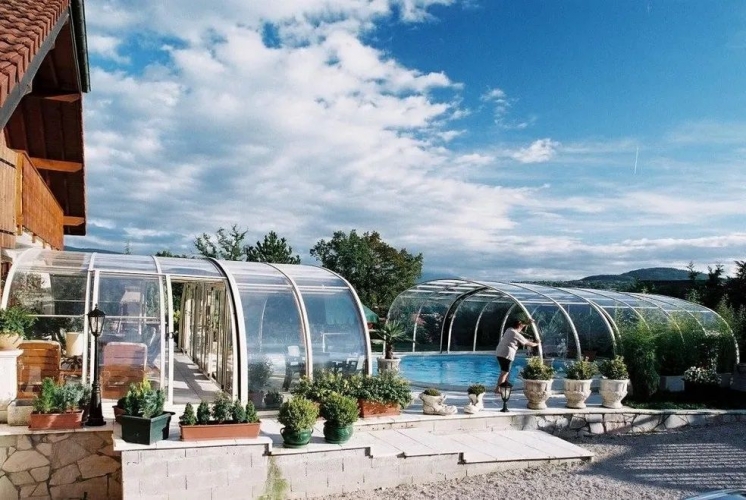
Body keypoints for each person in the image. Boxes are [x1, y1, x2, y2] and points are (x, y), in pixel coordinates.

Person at [495, 318, 539, 390]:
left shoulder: (509, 330)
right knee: (505, 373)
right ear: (519, 326)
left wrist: (528, 323)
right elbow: (528, 343)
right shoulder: (516, 334)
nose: (522, 328)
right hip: (506, 354)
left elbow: (521, 325)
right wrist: (537, 343)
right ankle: (498, 389)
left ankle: (501, 387)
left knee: (504, 371)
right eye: (521, 327)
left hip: (499, 353)